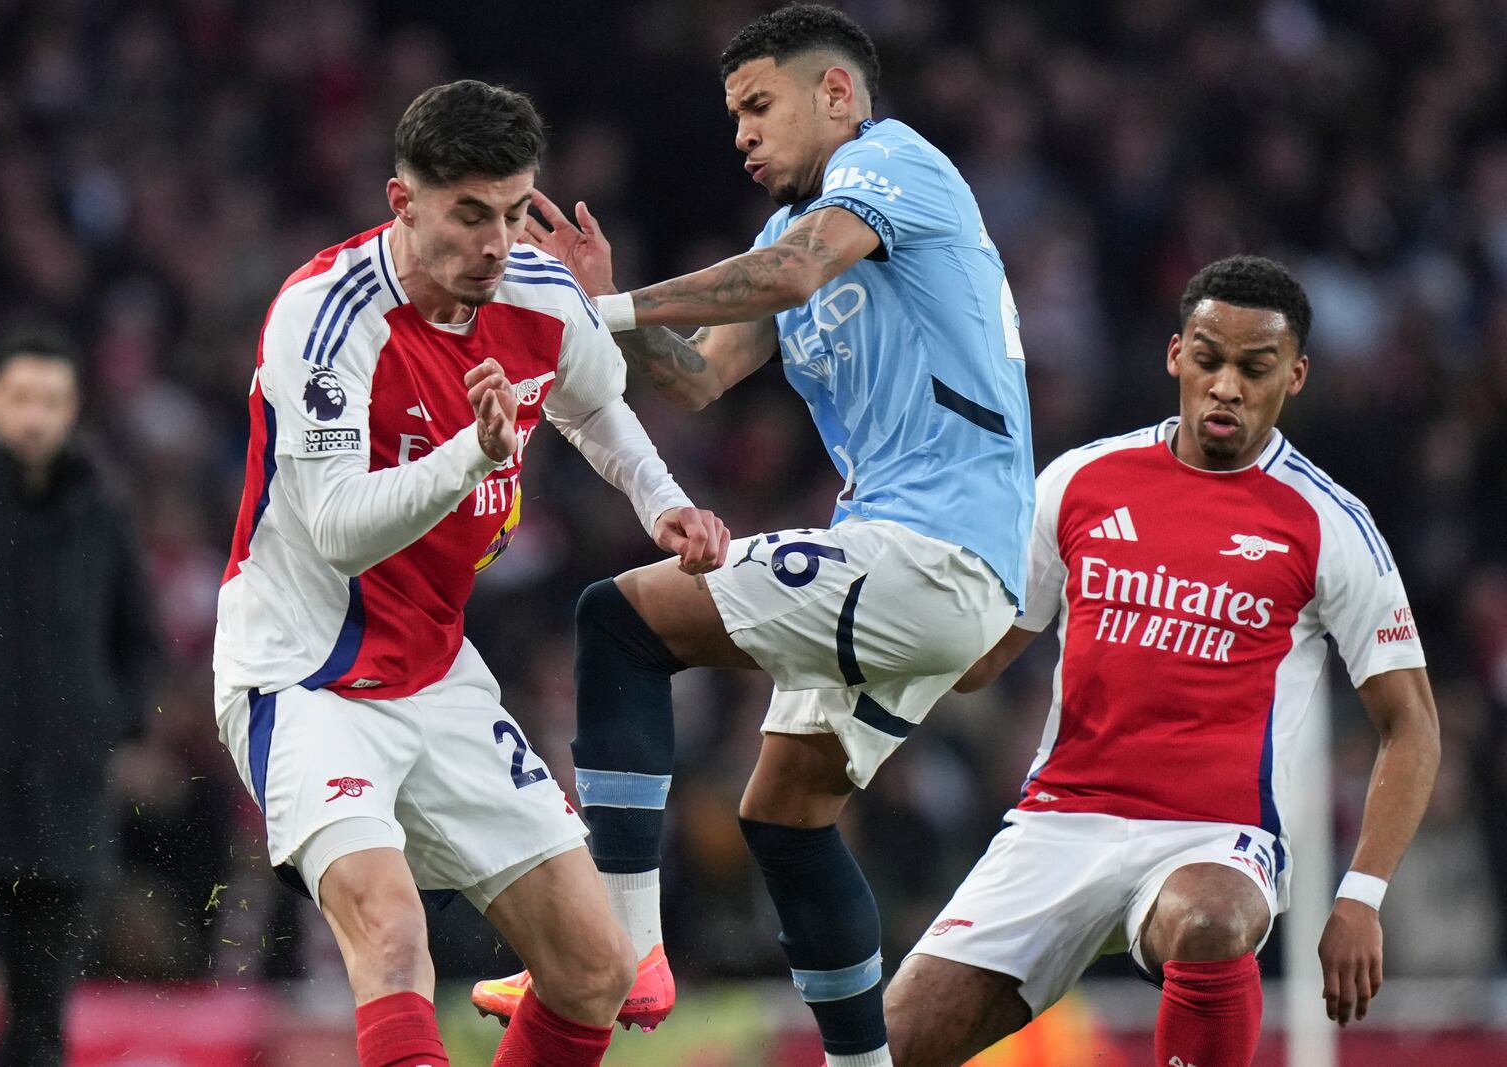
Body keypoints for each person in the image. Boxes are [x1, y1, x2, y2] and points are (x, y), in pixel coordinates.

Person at [473, 7, 1033, 1065]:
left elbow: (786, 279)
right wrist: (599, 308)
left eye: (758, 106)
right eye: (732, 113)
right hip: (920, 567)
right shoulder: (789, 234)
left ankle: (622, 943)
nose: (740, 134)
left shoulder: (894, 161)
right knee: (783, 811)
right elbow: (698, 373)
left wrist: (615, 305)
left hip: (927, 550)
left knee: (618, 622)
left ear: (836, 94)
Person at [212, 80, 729, 1067]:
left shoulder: (537, 292)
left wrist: (658, 500)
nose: (495, 242)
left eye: (509, 211)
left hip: (437, 669)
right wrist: (471, 455)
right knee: (393, 932)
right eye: (468, 215)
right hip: (304, 670)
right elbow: (335, 531)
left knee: (593, 965)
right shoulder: (323, 318)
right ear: (403, 203)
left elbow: (592, 401)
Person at [883, 255, 1441, 1067]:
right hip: (1057, 824)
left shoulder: (1329, 523)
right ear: (1176, 354)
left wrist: (1361, 894)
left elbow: (1413, 722)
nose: (1226, 386)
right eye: (1209, 359)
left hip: (1216, 837)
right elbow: (979, 658)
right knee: (885, 1044)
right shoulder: (1079, 483)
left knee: (1211, 921)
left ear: (1296, 375)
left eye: (1255, 369)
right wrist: (860, 637)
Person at [0, 335, 161, 1067]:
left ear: (72, 408)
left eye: (50, 400)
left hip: (65, 815)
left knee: (42, 1024)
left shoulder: (102, 518)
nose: (34, 417)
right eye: (20, 398)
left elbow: (140, 641)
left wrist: (106, 721)